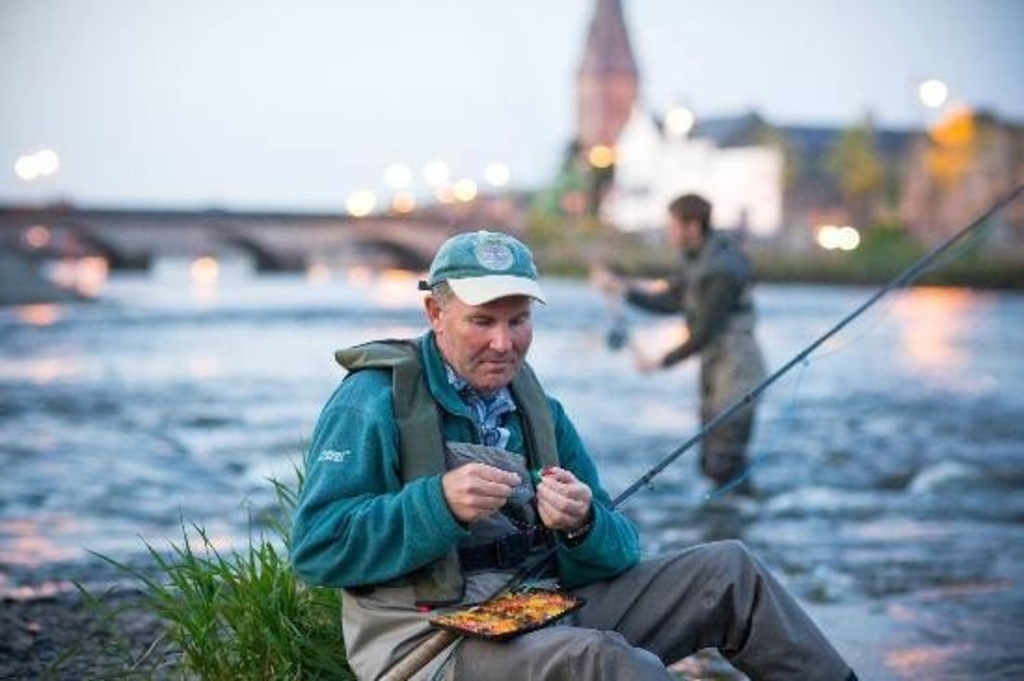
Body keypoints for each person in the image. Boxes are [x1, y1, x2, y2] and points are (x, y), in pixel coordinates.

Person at [290, 229, 854, 680]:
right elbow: (316, 550)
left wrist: (582, 525)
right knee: (599, 661)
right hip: (427, 645)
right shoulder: (371, 399)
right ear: (435, 316)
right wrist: (437, 504)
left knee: (730, 572)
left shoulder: (539, 408)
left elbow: (619, 551)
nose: (504, 342)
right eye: (482, 321)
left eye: (518, 321)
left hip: (533, 611)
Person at [592, 193, 767, 495]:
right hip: (716, 364)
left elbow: (703, 333)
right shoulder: (697, 259)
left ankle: (741, 517)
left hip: (738, 366)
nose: (669, 232)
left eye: (672, 225)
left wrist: (659, 361)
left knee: (725, 458)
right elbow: (671, 301)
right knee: (710, 460)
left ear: (693, 226)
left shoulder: (723, 268)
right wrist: (623, 289)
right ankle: (728, 518)